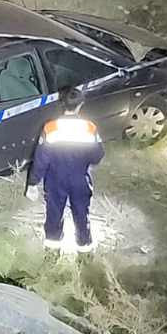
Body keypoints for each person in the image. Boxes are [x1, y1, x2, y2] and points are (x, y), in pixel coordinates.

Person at [25, 88, 105, 254]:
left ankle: (52, 253)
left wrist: (33, 183)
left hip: (55, 179)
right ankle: (84, 250)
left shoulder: (50, 127)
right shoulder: (90, 128)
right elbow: (97, 156)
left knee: (54, 214)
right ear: (80, 105)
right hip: (80, 178)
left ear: (62, 104)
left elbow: (41, 159)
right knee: (82, 214)